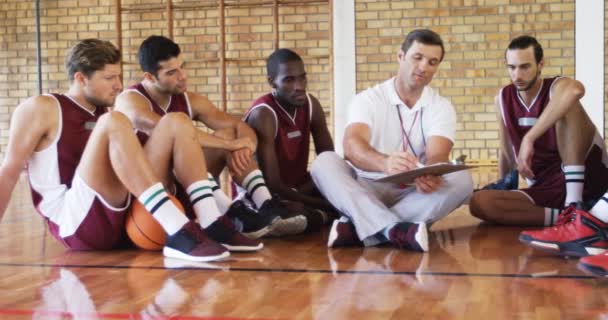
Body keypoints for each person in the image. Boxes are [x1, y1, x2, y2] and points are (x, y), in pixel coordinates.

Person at [0, 39, 241, 262]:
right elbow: (9, 172)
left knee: (175, 121)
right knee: (114, 121)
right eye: (109, 78)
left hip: (121, 221)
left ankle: (211, 218)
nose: (118, 86)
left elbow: (153, 165)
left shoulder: (106, 115)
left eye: (119, 76)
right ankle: (178, 229)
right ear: (81, 78)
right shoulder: (43, 107)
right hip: (75, 222)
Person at [115, 35, 304, 239]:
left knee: (230, 132)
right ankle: (231, 210)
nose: (182, 76)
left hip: (189, 185)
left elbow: (239, 126)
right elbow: (170, 130)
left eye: (181, 67)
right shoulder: (130, 100)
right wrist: (230, 145)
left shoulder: (190, 100)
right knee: (181, 130)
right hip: (153, 192)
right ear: (150, 77)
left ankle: (266, 206)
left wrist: (244, 147)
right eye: (172, 72)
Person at [310, 29, 473, 252]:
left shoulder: (441, 106)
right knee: (324, 162)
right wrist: (384, 163)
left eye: (432, 62)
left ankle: (361, 227)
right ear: (400, 57)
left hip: (413, 192)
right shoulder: (368, 99)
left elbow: (438, 155)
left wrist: (430, 173)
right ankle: (396, 231)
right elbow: (351, 146)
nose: (424, 67)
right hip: (366, 186)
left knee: (462, 180)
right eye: (418, 58)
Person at [467, 35, 608, 258]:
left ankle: (575, 205)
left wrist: (529, 137)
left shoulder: (557, 87)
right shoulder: (503, 98)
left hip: (590, 180)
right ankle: (580, 217)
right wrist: (505, 182)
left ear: (540, 65)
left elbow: (575, 91)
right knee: (479, 203)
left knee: (568, 104)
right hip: (545, 186)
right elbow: (506, 150)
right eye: (512, 67)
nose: (517, 75)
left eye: (525, 67)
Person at [240, 48, 337, 235]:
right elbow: (272, 184)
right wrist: (328, 204)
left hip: (299, 189)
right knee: (286, 210)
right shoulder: (264, 114)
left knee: (350, 182)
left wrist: (329, 192)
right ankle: (322, 215)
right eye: (289, 80)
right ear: (272, 82)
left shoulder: (311, 105)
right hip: (266, 194)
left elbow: (329, 161)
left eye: (302, 78)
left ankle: (317, 215)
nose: (299, 86)